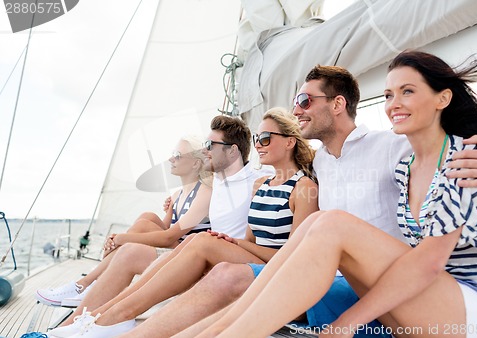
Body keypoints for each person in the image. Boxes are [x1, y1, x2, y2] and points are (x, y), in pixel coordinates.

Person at [119, 64, 477, 338]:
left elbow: (428, 262)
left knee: (327, 223)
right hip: (396, 287)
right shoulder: (390, 166)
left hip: (472, 306)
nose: (392, 103)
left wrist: (345, 325)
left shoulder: (431, 154)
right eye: (386, 94)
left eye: (407, 91)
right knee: (313, 229)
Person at [53, 108, 318, 338]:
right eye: (257, 138)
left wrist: (230, 241)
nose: (259, 143)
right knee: (186, 238)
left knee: (198, 240)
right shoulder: (257, 185)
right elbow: (247, 239)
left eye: (265, 138)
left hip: (264, 268)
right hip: (229, 258)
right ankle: (98, 315)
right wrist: (173, 205)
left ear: (289, 142)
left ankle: (107, 315)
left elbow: (294, 255)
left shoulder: (288, 185)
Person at [35, 135, 212, 308]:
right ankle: (93, 283)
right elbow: (164, 229)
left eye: (178, 155)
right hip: (176, 248)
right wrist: (171, 208)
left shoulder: (204, 192)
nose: (171, 158)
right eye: (173, 153)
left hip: (188, 257)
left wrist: (121, 239)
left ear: (196, 163)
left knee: (143, 224)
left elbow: (166, 238)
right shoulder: (177, 195)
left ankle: (86, 284)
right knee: (148, 217)